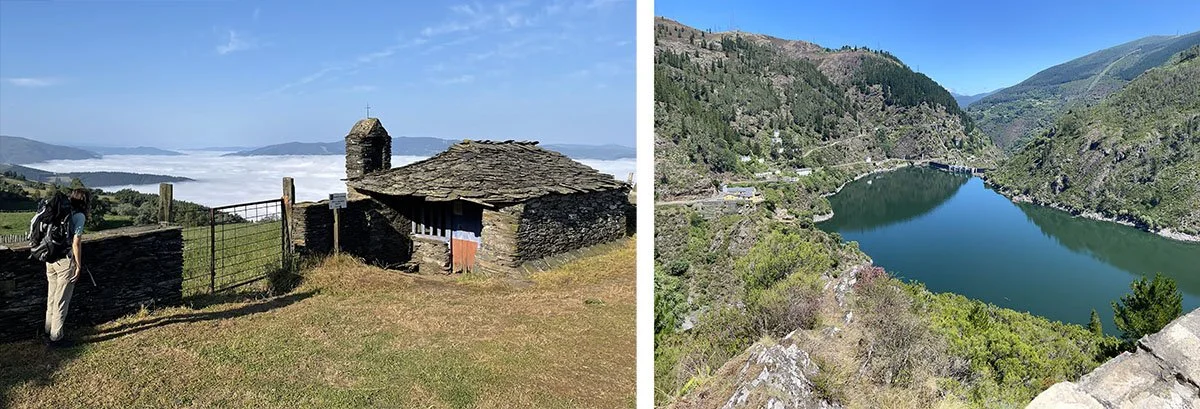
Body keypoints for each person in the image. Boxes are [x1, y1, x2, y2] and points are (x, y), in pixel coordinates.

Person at [45, 188, 88, 347]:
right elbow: (76, 242)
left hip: (50, 258)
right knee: (61, 301)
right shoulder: (79, 216)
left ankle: (48, 330)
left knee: (52, 298)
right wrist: (78, 265)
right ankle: (56, 338)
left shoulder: (61, 211)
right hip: (65, 261)